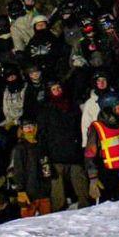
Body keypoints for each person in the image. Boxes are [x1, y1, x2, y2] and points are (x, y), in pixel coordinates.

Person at [37, 76, 89, 211]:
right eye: (53, 89)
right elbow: (42, 134)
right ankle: (58, 215)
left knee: (81, 186)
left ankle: (88, 210)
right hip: (55, 155)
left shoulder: (72, 105)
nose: (57, 91)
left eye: (59, 88)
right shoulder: (46, 109)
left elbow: (80, 127)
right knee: (57, 193)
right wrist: (44, 155)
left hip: (74, 152)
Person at [84, 91, 119, 203]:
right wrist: (93, 177)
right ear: (110, 109)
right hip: (106, 174)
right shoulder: (97, 127)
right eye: (118, 106)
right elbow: (90, 153)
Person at [8, 116, 53, 218]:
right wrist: (20, 190)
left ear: (36, 127)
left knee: (48, 222)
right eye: (26, 127)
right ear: (22, 130)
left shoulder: (42, 146)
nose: (29, 130)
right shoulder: (20, 148)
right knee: (27, 226)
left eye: (31, 126)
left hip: (44, 194)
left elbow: (46, 166)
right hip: (28, 195)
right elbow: (17, 171)